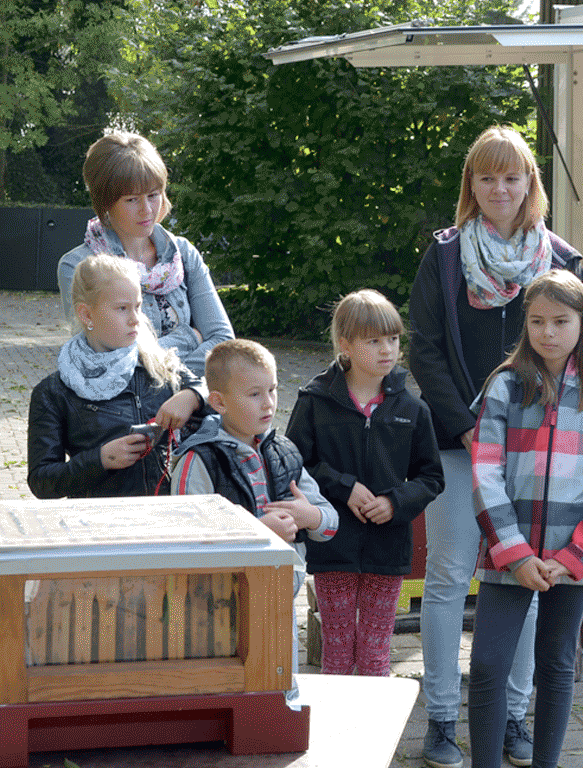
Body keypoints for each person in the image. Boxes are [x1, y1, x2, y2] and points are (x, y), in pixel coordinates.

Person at [408, 125, 583, 768]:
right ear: (471, 186)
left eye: (512, 177)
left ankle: (514, 717)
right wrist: (464, 426)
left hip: (539, 450)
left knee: (527, 574)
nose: (500, 189)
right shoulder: (447, 255)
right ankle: (440, 721)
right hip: (458, 441)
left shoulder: (561, 260)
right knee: (451, 576)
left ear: (530, 183)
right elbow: (423, 346)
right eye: (487, 177)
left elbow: (579, 357)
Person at [468, 270, 583, 768]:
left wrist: (570, 558)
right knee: (487, 666)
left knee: (558, 664)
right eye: (537, 321)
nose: (548, 333)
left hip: (573, 557)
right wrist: (515, 554)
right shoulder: (504, 386)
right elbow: (484, 474)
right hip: (509, 552)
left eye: (561, 321)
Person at [285, 289, 444, 677]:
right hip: (332, 546)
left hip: (387, 550)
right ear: (346, 345)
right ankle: (335, 735)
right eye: (374, 341)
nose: (387, 349)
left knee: (374, 660)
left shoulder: (413, 409)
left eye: (393, 339)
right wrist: (344, 486)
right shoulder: (313, 402)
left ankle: (375, 732)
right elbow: (293, 464)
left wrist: (395, 502)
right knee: (337, 659)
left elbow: (431, 477)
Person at [170, 338, 339, 703]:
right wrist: (259, 531)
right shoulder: (198, 460)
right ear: (219, 401)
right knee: (222, 689)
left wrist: (310, 516)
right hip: (214, 606)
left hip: (279, 598)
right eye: (253, 394)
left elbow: (329, 522)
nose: (268, 403)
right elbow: (183, 541)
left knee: (280, 690)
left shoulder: (285, 452)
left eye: (273, 390)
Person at [28, 254, 205, 499]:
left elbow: (220, 403)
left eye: (138, 306)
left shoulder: (161, 366)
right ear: (87, 315)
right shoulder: (53, 392)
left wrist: (193, 396)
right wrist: (100, 460)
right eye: (122, 308)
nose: (136, 319)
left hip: (167, 521)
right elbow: (41, 481)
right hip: (98, 528)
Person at [59, 132, 234, 375]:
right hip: (125, 409)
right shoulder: (78, 266)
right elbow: (104, 360)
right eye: (132, 199)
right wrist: (189, 337)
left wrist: (185, 391)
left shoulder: (182, 254)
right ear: (105, 202)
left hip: (189, 404)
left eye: (153, 195)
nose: (147, 210)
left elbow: (223, 343)